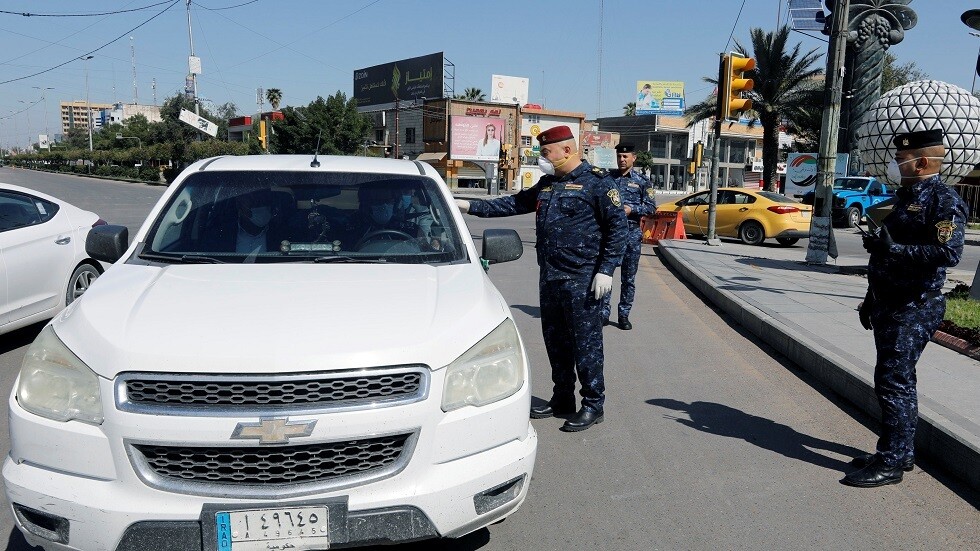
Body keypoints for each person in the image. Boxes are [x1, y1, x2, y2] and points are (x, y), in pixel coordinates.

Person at [456, 125, 627, 432]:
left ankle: (592, 403)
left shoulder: (598, 184)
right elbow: (513, 203)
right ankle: (562, 397)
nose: (543, 158)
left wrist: (606, 270)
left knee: (586, 345)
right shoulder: (548, 184)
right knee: (556, 342)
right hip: (550, 277)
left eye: (546, 153)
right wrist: (469, 206)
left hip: (583, 277)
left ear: (567, 150)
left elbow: (618, 230)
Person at [845, 129, 967, 488]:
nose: (897, 164)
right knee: (898, 381)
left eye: (902, 160)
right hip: (889, 303)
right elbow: (890, 248)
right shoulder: (905, 197)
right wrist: (870, 298)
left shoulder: (943, 201)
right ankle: (901, 451)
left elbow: (948, 253)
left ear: (923, 162)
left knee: (893, 382)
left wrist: (892, 249)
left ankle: (892, 461)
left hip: (914, 307)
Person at [601, 143, 656, 330]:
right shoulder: (608, 179)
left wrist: (632, 209)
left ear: (634, 158)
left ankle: (624, 315)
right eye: (619, 156)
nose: (622, 160)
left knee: (628, 279)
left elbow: (651, 208)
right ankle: (603, 313)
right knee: (606, 274)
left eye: (625, 156)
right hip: (610, 236)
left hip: (631, 236)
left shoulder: (642, 181)